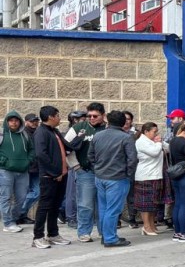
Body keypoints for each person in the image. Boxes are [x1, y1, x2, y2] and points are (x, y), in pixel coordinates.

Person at [89, 110, 138, 248]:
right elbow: (132, 159)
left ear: (108, 121)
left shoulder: (98, 135)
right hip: (118, 178)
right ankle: (110, 238)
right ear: (123, 122)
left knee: (104, 208)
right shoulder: (126, 137)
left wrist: (97, 169)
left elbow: (90, 156)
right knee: (113, 209)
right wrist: (129, 174)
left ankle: (106, 235)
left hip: (100, 176)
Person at [65, 102, 107, 243]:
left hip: (105, 172)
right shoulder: (78, 128)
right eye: (89, 116)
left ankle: (104, 231)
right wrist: (75, 166)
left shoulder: (108, 128)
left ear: (103, 115)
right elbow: (65, 148)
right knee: (85, 204)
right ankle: (84, 232)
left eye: (95, 116)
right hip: (85, 171)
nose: (92, 118)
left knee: (104, 205)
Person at [31, 106, 72, 249]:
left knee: (55, 206)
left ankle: (53, 234)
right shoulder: (41, 132)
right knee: (44, 206)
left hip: (61, 175)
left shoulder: (54, 131)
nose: (60, 118)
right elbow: (41, 155)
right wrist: (55, 172)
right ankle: (38, 237)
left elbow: (67, 146)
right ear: (50, 117)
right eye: (58, 115)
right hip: (49, 176)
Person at [0, 110, 35, 233]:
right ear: (7, 122)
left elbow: (32, 149)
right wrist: (3, 161)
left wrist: (28, 160)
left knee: (22, 197)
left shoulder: (24, 134)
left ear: (20, 122)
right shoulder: (2, 133)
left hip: (23, 171)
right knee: (6, 197)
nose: (14, 123)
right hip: (5, 171)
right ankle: (8, 223)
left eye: (16, 120)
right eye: (11, 121)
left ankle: (13, 220)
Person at [134, 121, 169, 236]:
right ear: (146, 132)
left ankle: (152, 225)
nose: (156, 134)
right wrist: (158, 143)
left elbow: (168, 148)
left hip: (156, 175)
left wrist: (160, 142)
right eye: (154, 132)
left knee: (154, 203)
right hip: (145, 176)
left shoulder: (153, 141)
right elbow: (154, 152)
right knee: (146, 204)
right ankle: (146, 226)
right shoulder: (141, 142)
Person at [20, 112, 40, 225]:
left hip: (37, 169)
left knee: (37, 192)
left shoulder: (39, 132)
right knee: (23, 193)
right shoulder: (22, 133)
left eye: (36, 121)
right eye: (32, 121)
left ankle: (20, 213)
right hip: (26, 168)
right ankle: (21, 215)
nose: (34, 123)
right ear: (26, 122)